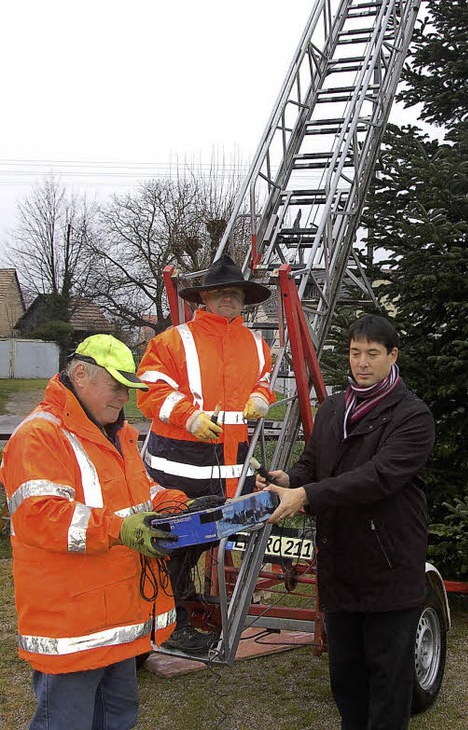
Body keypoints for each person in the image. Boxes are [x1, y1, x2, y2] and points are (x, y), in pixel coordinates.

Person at [257, 314, 435, 730]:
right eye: (356, 353)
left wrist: (309, 494)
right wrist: (291, 480)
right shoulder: (335, 407)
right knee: (347, 680)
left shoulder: (412, 416)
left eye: (373, 354)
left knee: (389, 683)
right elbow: (314, 463)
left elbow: (378, 477)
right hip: (340, 566)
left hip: (389, 569)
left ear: (392, 356)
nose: (362, 363)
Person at [0, 334, 187, 730]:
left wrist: (168, 500)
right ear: (80, 374)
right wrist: (123, 530)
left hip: (116, 614)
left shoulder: (116, 433)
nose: (125, 398)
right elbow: (43, 517)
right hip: (72, 622)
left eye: (128, 389)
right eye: (116, 387)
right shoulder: (39, 436)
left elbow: (138, 491)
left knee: (118, 717)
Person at [136, 253, 275, 655]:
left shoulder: (257, 344)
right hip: (175, 469)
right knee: (172, 545)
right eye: (219, 293)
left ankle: (188, 611)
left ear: (243, 299)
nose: (227, 300)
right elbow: (150, 392)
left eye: (233, 293)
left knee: (206, 543)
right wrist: (189, 417)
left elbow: (264, 381)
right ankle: (168, 623)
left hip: (231, 471)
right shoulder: (171, 340)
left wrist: (260, 397)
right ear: (204, 299)